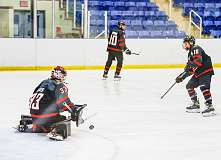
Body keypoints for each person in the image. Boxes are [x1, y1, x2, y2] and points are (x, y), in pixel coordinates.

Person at [18, 66, 85, 140]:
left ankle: (29, 123)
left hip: (35, 117)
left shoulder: (43, 82)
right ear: (59, 75)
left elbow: (37, 97)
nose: (64, 77)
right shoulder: (59, 85)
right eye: (63, 75)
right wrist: (73, 110)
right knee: (63, 119)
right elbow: (64, 102)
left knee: (46, 111)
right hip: (46, 118)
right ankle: (57, 131)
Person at [175, 35, 215, 116]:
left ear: (191, 43)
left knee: (203, 87)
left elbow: (198, 62)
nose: (185, 45)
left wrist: (189, 64)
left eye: (186, 43)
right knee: (189, 86)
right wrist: (182, 76)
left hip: (205, 71)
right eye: (184, 44)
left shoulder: (195, 48)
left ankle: (210, 106)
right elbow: (191, 70)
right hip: (198, 73)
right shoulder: (190, 53)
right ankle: (196, 104)